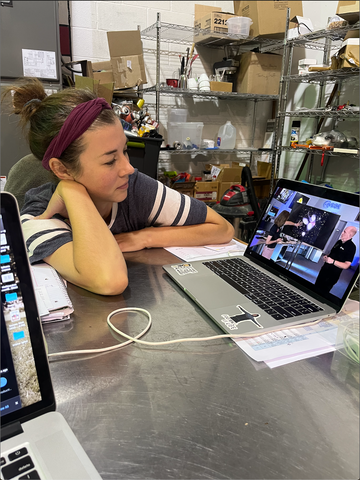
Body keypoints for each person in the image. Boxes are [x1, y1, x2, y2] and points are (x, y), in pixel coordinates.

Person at [2, 78, 234, 296]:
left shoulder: (133, 188)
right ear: (62, 170)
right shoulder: (38, 217)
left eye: (125, 150)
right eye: (110, 160)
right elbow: (109, 280)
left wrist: (144, 237)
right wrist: (70, 190)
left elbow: (222, 229)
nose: (129, 168)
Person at [314, 226, 357, 295]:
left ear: (350, 235)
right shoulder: (339, 242)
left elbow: (346, 265)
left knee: (322, 293)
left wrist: (333, 262)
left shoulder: (352, 247)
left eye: (344, 232)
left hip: (332, 274)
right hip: (324, 270)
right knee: (315, 288)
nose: (342, 233)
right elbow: (333, 253)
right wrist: (327, 256)